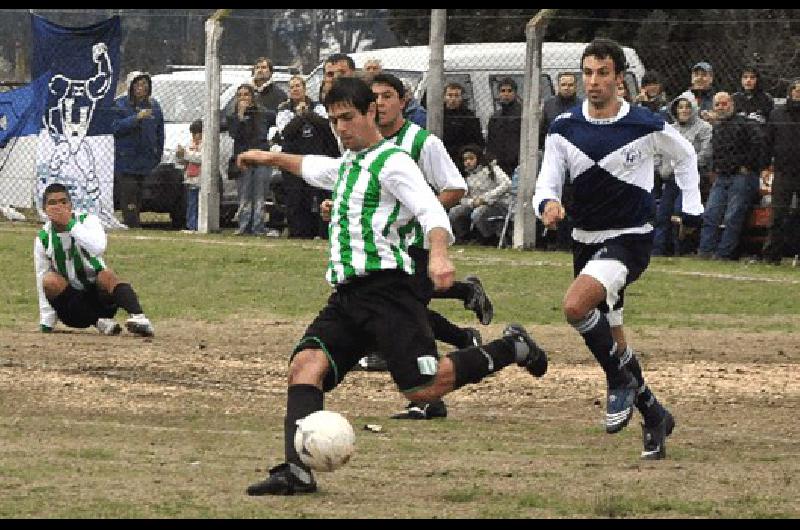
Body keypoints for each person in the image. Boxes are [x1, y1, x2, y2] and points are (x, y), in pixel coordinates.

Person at [237, 76, 547, 496]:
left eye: (348, 118)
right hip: (348, 297)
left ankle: (512, 347)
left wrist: (438, 255)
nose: (341, 128)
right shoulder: (349, 164)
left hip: (389, 294)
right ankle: (297, 472)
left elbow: (432, 213)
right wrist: (267, 158)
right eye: (334, 120)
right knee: (305, 366)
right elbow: (311, 167)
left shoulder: (395, 161)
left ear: (371, 114)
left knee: (425, 387)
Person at [533, 38, 703, 460]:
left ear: (620, 77)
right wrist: (546, 205)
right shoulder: (563, 128)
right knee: (614, 339)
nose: (593, 81)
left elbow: (685, 157)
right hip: (584, 242)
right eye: (587, 72)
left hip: (629, 239)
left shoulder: (645, 124)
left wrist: (692, 206)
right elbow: (547, 182)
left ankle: (618, 382)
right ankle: (654, 414)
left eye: (602, 73)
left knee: (575, 307)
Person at [368, 73, 498, 419]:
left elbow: (455, 187)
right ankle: (461, 334)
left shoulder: (421, 142)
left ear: (403, 101)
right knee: (400, 306)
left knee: (404, 308)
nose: (379, 103)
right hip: (382, 241)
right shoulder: (366, 142)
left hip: (417, 240)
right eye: (374, 97)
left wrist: (420, 212)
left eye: (386, 96)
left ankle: (428, 394)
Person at [35, 183, 155, 337]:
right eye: (52, 203)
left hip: (100, 300)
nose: (59, 207)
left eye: (63, 202)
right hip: (74, 309)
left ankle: (140, 318)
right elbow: (41, 276)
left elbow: (98, 247)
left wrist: (70, 224)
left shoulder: (88, 221)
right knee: (49, 280)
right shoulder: (43, 238)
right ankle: (99, 322)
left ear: (71, 205)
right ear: (45, 209)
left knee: (106, 275)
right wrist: (47, 321)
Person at [697, 92, 766, 260]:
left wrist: (747, 166)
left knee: (733, 216)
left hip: (741, 176)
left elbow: (758, 145)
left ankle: (724, 254)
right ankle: (705, 251)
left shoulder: (746, 124)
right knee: (711, 214)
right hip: (721, 176)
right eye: (717, 104)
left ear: (732, 104)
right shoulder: (717, 128)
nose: (721, 107)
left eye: (724, 103)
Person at [275, 75, 339, 239]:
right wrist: (300, 116)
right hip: (292, 159)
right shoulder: (284, 109)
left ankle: (321, 232)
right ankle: (298, 233)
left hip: (315, 158)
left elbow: (326, 126)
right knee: (296, 199)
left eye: (298, 86)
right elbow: (286, 132)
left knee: (319, 196)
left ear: (304, 88)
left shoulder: (318, 107)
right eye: (292, 87)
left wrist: (307, 114)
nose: (295, 89)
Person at [652, 92, 712, 256]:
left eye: (687, 107)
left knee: (681, 214)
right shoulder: (670, 130)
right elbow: (658, 151)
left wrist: (684, 166)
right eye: (680, 107)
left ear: (693, 108)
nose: (684, 110)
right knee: (662, 215)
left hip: (691, 179)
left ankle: (681, 251)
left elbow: (705, 154)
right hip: (670, 179)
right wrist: (661, 167)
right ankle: (658, 251)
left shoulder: (704, 128)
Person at [112, 71, 164, 229]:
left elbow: (159, 132)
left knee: (140, 193)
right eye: (138, 85)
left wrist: (157, 154)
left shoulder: (154, 106)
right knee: (129, 192)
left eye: (145, 85)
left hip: (146, 159)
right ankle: (131, 223)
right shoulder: (120, 105)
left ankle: (135, 220)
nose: (142, 88)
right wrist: (136, 118)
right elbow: (115, 127)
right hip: (126, 159)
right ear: (131, 87)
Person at [540, 72, 583, 251]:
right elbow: (543, 130)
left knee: (576, 200)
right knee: (558, 198)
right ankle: (559, 241)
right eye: (564, 84)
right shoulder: (549, 105)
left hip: (577, 158)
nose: (567, 88)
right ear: (558, 86)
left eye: (570, 85)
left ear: (575, 86)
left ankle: (576, 241)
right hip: (556, 159)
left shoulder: (582, 106)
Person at [760, 78, 800, 265]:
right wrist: (765, 166)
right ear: (790, 92)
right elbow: (767, 143)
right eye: (796, 90)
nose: (798, 93)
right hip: (783, 171)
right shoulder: (777, 114)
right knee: (778, 215)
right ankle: (771, 256)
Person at [227, 84, 275, 236]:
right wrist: (240, 117)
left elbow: (273, 128)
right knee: (244, 194)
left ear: (252, 96)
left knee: (260, 194)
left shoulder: (264, 114)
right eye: (240, 95)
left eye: (246, 94)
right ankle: (244, 225)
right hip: (244, 159)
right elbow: (235, 134)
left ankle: (258, 226)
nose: (243, 98)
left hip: (261, 157)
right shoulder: (233, 117)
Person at [449, 144, 512, 246]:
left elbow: (507, 184)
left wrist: (485, 198)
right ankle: (466, 237)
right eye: (465, 160)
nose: (468, 162)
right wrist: (472, 202)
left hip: (497, 203)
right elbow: (462, 196)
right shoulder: (465, 175)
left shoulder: (491, 169)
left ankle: (489, 238)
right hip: (475, 203)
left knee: (478, 214)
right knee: (454, 212)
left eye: (471, 158)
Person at [486, 77, 523, 177]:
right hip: (499, 163)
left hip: (518, 162)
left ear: (515, 93)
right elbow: (490, 142)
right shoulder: (495, 117)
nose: (506, 94)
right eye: (503, 91)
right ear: (499, 93)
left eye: (509, 91)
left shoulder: (523, 114)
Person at [441, 82, 484, 168]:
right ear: (444, 97)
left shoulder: (469, 116)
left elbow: (477, 141)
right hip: (443, 158)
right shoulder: (439, 115)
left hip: (462, 160)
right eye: (450, 95)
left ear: (461, 98)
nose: (453, 99)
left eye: (456, 96)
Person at [175, 119, 203, 233]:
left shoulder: (207, 145)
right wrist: (179, 155)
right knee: (191, 203)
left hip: (201, 179)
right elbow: (182, 162)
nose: (195, 136)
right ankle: (190, 225)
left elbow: (200, 158)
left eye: (198, 133)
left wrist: (186, 154)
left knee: (198, 203)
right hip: (191, 178)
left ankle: (198, 225)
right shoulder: (189, 144)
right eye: (193, 133)